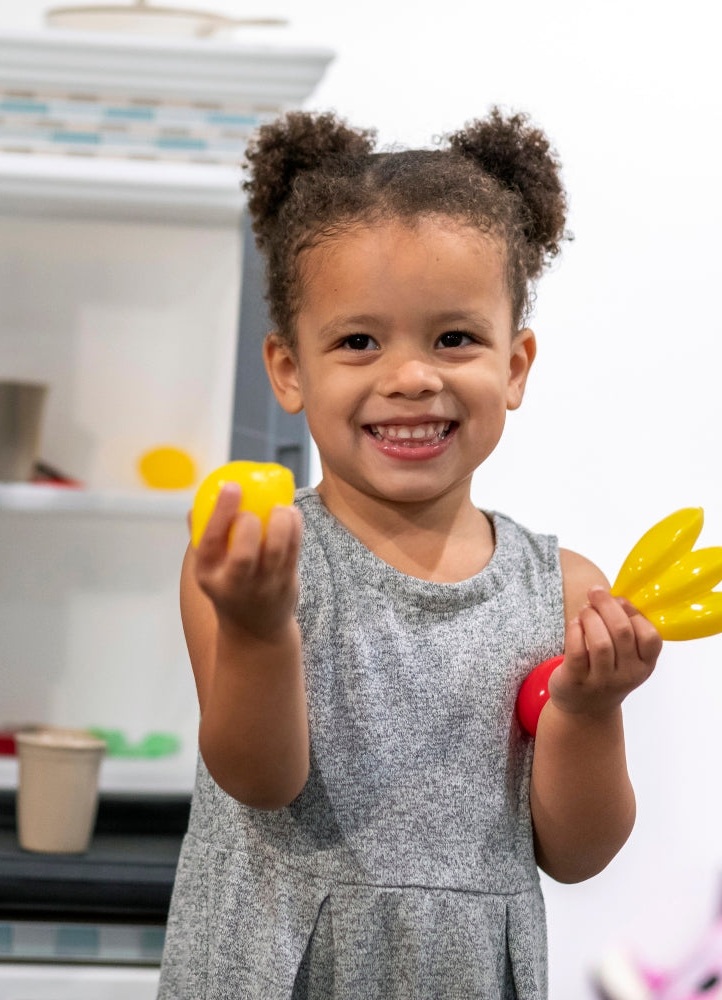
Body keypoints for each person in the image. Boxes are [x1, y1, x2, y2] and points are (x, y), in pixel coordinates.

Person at [156, 108, 662, 999]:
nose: (411, 377)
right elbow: (262, 778)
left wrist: (588, 709)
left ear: (515, 364)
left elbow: (579, 854)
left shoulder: (563, 590)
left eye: (454, 338)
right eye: (358, 341)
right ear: (288, 368)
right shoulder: (254, 561)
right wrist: (259, 627)